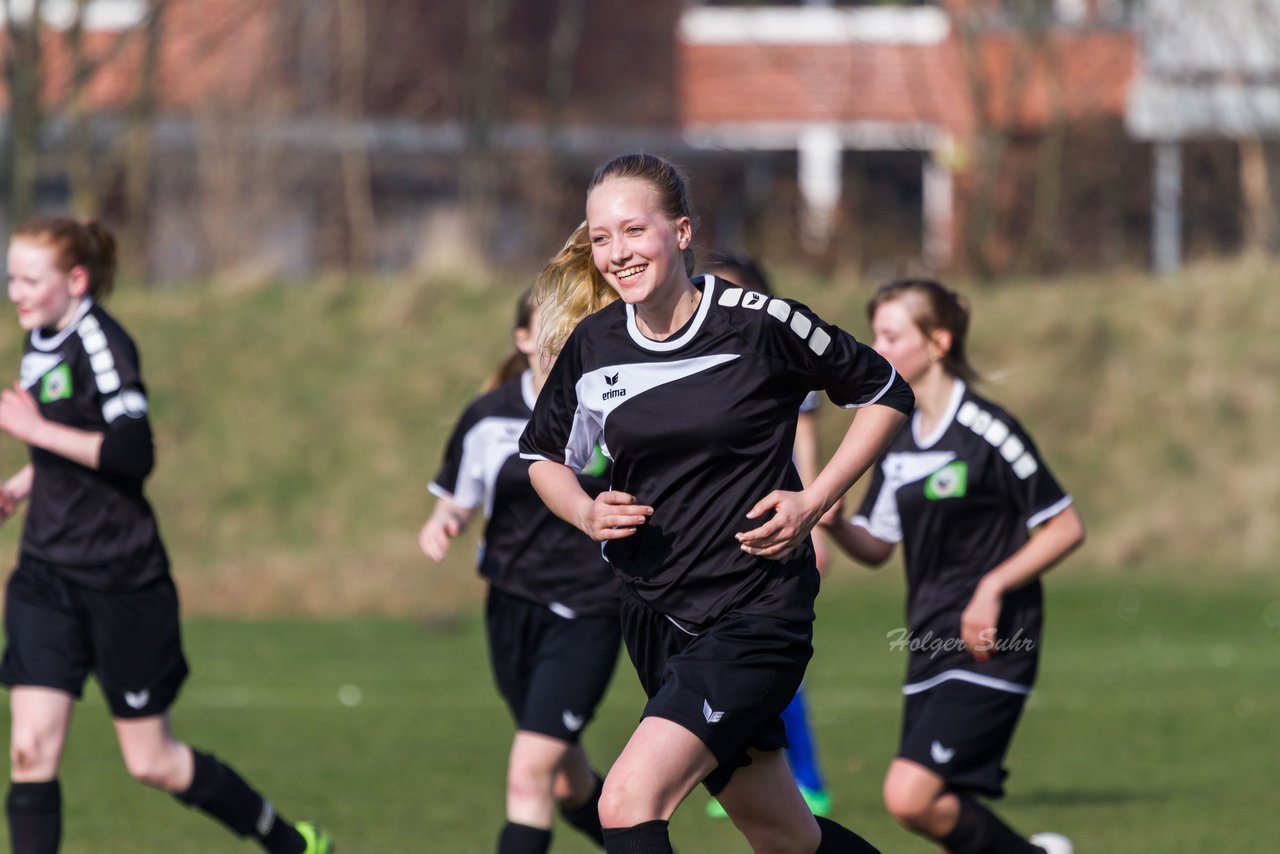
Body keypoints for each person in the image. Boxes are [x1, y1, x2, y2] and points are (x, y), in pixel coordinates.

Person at [519, 152, 913, 854]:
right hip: (655, 616)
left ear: (680, 231)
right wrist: (584, 511)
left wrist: (814, 502)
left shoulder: (760, 323)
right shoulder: (596, 345)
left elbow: (886, 392)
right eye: (601, 237)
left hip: (754, 615)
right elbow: (544, 457)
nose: (616, 253)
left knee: (627, 801)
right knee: (784, 836)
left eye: (633, 231)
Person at [0, 217, 332, 853]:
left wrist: (36, 433)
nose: (16, 291)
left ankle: (289, 841)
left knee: (151, 761)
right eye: (11, 277)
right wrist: (22, 484)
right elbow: (68, 448)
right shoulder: (39, 334)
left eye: (29, 280)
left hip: (121, 581)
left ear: (74, 279)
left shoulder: (101, 341)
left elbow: (132, 452)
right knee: (29, 749)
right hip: (46, 573)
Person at [820, 278, 1085, 854]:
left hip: (997, 640)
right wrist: (836, 523)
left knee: (909, 795)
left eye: (890, 335)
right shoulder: (895, 437)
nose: (876, 347)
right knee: (933, 808)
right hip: (928, 638)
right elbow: (878, 545)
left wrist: (992, 586)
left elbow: (1065, 527)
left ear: (937, 342)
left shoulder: (988, 430)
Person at [419, 286, 620, 854]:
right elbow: (459, 495)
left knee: (527, 774)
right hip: (510, 606)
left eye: (574, 331)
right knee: (567, 781)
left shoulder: (611, 409)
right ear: (524, 338)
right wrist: (445, 522)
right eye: (550, 332)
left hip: (590, 609)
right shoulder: (488, 416)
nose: (563, 344)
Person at [698, 253, 830, 819]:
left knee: (769, 664)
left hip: (772, 522)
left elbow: (806, 437)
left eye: (737, 292)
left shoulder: (780, 348)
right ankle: (746, 775)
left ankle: (806, 778)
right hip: (709, 534)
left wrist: (814, 516)